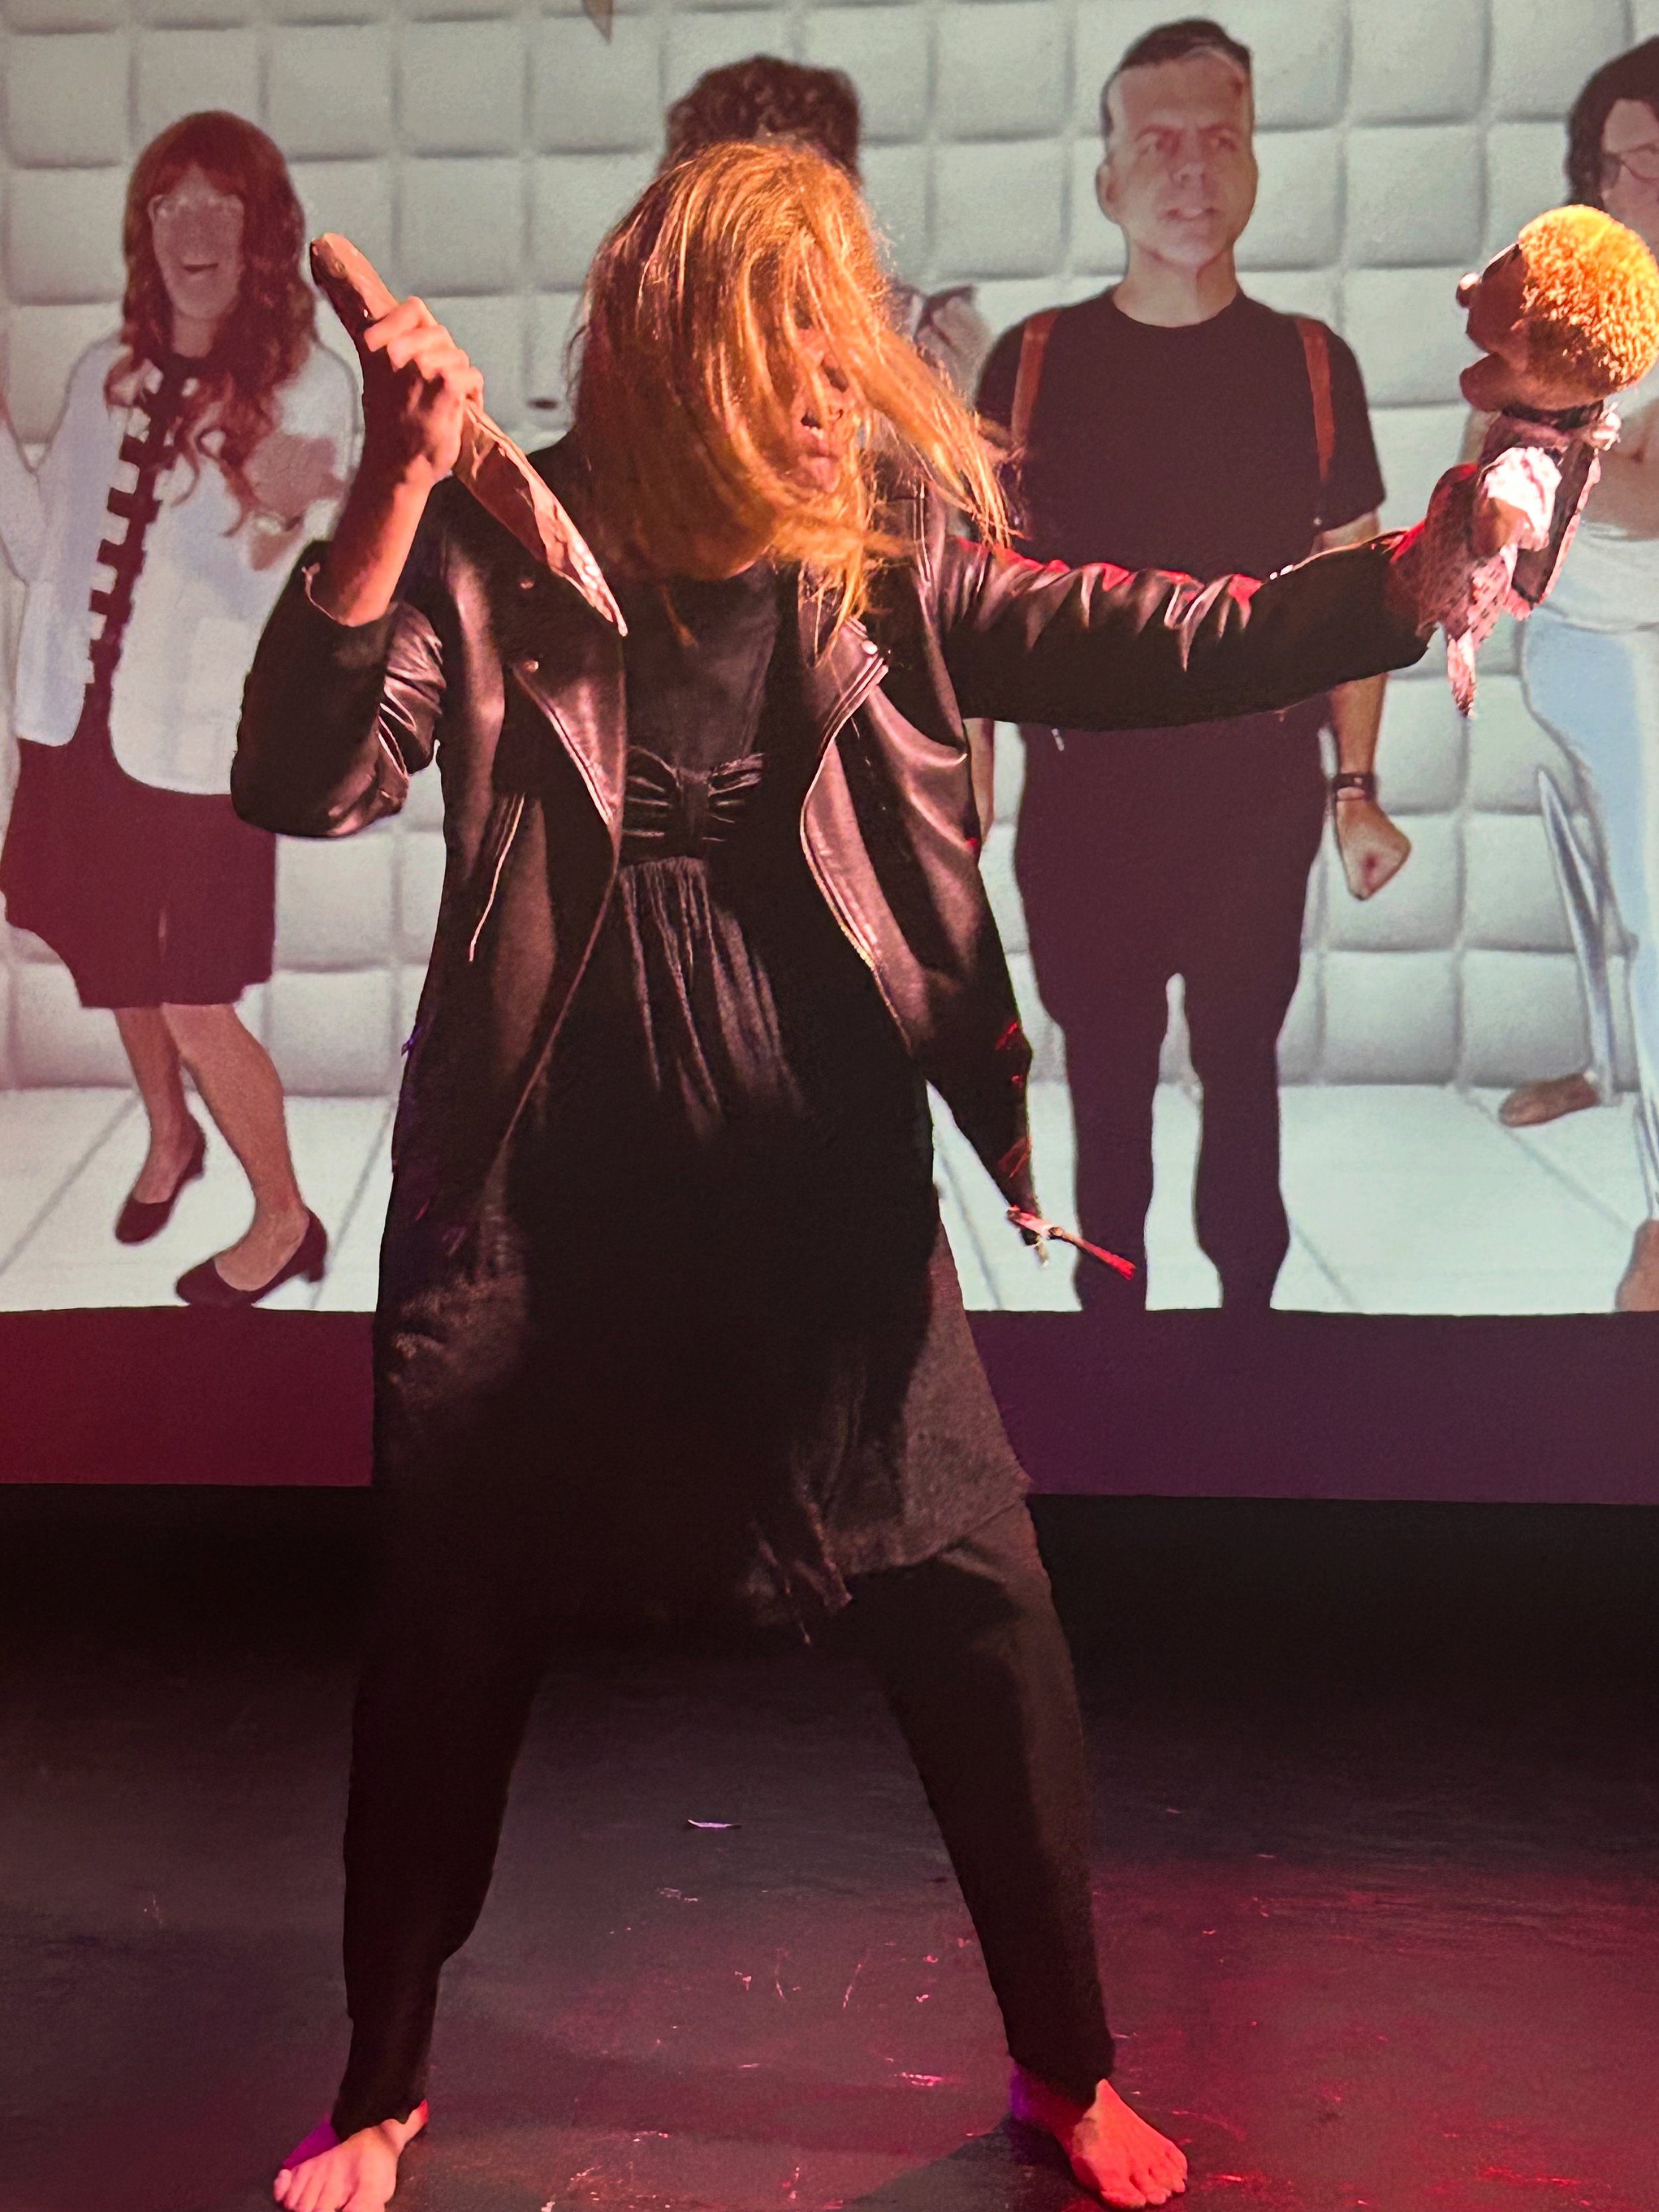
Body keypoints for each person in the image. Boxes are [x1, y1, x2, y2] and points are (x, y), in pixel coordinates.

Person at [234, 141, 1449, 2212]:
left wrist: (1416, 575)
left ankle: (1065, 2065)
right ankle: (380, 2080)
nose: (835, 387)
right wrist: (392, 488)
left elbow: (1173, 636)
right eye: (787, 346)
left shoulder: (878, 579)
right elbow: (299, 775)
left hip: (818, 1202)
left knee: (982, 1615)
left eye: (845, 343)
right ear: (680, 355)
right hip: (542, 1210)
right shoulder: (494, 550)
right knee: (448, 1638)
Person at [974, 17, 1409, 1311]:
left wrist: (1355, 790)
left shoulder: (1310, 366)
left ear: (1255, 161)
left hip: (1255, 803)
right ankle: (1110, 1334)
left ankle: (1246, 1337)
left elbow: (1356, 595)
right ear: (1106, 178)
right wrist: (965, 794)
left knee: (1240, 1067)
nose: (1189, 169)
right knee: (1105, 1088)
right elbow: (975, 602)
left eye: (1219, 138)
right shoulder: (1032, 364)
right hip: (1086, 806)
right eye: (1156, 141)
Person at [0, 110, 356, 1304]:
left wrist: (274, 508)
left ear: (263, 232)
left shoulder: (310, 389)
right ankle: (169, 1137)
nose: (192, 226)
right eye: (169, 202)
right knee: (115, 964)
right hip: (80, 730)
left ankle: (287, 1217)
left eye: (220, 202)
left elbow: (272, 596)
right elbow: (37, 551)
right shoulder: (103, 374)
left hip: (199, 754)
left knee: (196, 1001)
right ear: (145, 228)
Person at [1481, 39, 1659, 1311]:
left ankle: (1615, 1066)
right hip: (1596, 637)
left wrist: (1574, 451)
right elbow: (1494, 468)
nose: (1636, 187)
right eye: (1620, 164)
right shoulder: (1570, 300)